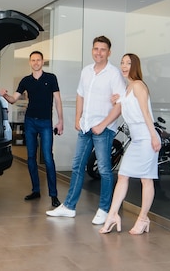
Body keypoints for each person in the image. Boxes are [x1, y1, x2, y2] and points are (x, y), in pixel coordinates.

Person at [46, 36, 125, 225]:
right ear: (92, 50)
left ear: (109, 52)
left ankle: (105, 209)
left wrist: (103, 124)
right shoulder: (86, 71)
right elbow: (80, 95)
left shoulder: (114, 73)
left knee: (105, 170)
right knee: (77, 166)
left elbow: (120, 104)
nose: (99, 52)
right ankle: (69, 207)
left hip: (103, 130)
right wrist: (77, 118)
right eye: (96, 48)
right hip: (85, 126)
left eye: (103, 49)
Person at [99, 53, 161, 235]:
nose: (124, 66)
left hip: (146, 137)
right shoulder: (128, 88)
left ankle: (143, 219)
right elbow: (125, 104)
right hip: (136, 140)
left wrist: (154, 136)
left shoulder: (139, 85)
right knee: (123, 175)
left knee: (146, 179)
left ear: (135, 66)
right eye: (122, 63)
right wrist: (116, 100)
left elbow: (145, 113)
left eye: (128, 63)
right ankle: (112, 215)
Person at [0, 50, 64, 208]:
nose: (36, 62)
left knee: (48, 158)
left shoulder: (51, 78)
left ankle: (53, 195)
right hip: (30, 122)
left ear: (42, 62)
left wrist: (60, 120)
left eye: (38, 60)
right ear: (30, 62)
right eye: (33, 60)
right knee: (30, 157)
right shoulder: (26, 81)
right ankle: (36, 190)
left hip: (46, 123)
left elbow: (57, 100)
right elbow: (14, 99)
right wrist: (5, 96)